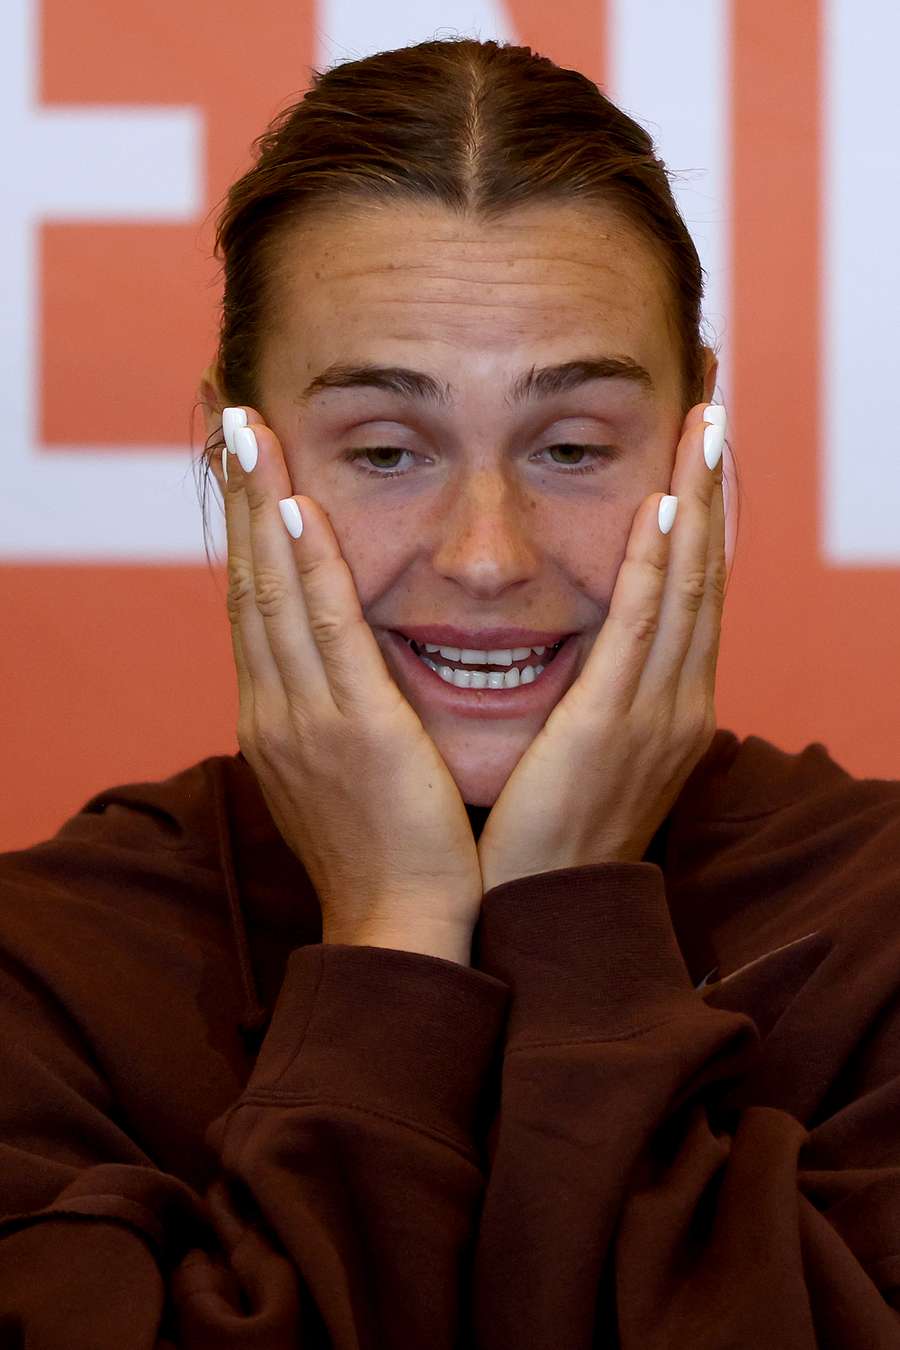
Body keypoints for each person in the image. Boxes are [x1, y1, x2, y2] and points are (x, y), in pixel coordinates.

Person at [1, 34, 898, 1349]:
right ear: (234, 454)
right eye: (384, 450)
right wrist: (393, 933)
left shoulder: (878, 927)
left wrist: (577, 922)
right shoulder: (45, 976)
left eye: (575, 445)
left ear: (699, 437)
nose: (488, 554)